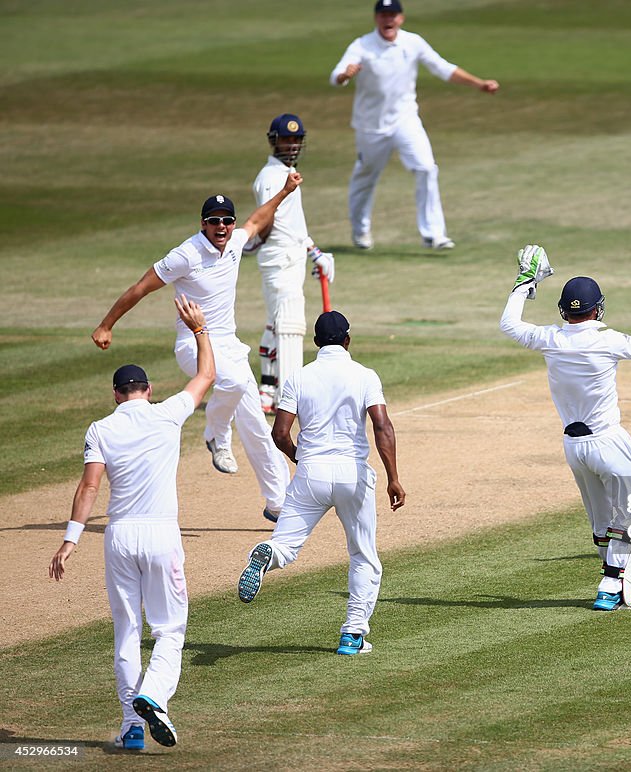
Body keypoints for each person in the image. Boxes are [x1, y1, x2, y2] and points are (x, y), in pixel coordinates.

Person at [50, 296, 215, 751]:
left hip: (119, 536)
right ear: (147, 388)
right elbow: (206, 376)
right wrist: (199, 329)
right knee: (169, 631)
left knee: (127, 632)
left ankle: (132, 726)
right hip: (162, 534)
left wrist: (70, 540)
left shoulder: (101, 428)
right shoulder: (167, 414)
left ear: (117, 394)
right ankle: (153, 696)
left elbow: (88, 489)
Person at [92, 172, 303, 523]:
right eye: (214, 221)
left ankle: (277, 501)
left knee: (253, 422)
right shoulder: (185, 255)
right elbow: (141, 287)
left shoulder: (235, 241)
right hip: (192, 343)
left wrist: (284, 190)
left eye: (226, 220)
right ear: (203, 224)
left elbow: (257, 219)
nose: (221, 226)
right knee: (233, 384)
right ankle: (215, 434)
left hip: (229, 345)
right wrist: (106, 324)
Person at [500, 244, 631, 611]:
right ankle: (612, 581)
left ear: (564, 311)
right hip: (609, 441)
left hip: (573, 448)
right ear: (598, 308)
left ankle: (612, 574)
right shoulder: (607, 340)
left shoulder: (550, 338)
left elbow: (509, 324)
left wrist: (524, 283)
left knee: (602, 519)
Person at [236, 311, 405, 656]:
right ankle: (352, 634)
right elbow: (382, 427)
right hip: (352, 474)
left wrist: (301, 458)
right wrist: (394, 478)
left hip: (310, 473)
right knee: (363, 556)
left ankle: (268, 555)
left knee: (286, 546)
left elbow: (280, 434)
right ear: (348, 340)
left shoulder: (298, 378)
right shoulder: (364, 375)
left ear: (315, 343)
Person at [329, 0, 500, 251]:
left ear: (401, 18)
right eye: (383, 15)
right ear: (376, 18)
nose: (388, 20)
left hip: (405, 120)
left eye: (393, 15)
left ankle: (434, 234)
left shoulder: (413, 42)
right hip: (371, 127)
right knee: (365, 177)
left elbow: (443, 68)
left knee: (426, 168)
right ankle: (360, 231)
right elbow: (336, 76)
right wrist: (345, 75)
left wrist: (479, 84)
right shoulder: (362, 45)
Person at [248, 113, 336, 414]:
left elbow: (293, 224)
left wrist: (315, 252)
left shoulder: (286, 172)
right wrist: (254, 240)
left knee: (277, 322)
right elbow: (267, 217)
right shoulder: (271, 177)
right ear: (274, 141)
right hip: (279, 258)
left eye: (297, 140)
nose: (292, 145)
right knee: (287, 323)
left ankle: (267, 391)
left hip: (293, 256)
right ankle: (287, 395)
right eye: (287, 139)